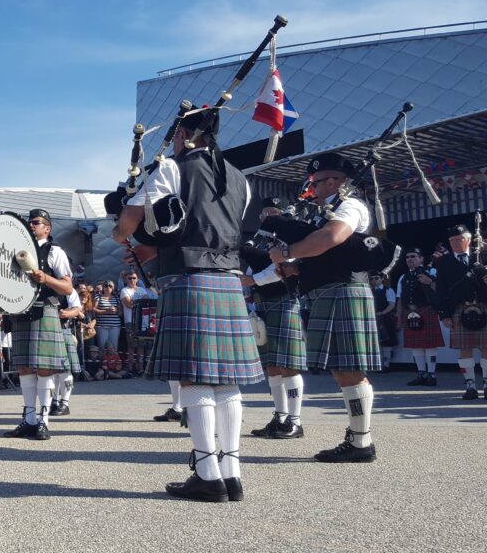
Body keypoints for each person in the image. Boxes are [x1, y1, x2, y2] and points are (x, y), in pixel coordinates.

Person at [116, 104, 261, 502]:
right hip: (230, 279)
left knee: (195, 377)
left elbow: (130, 222)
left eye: (176, 136)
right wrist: (155, 250)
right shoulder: (239, 178)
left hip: (188, 278)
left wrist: (121, 233)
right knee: (226, 380)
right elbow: (210, 227)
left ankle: (207, 474)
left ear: (183, 136)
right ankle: (231, 473)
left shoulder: (172, 169)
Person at [271, 152, 381, 463]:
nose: (313, 189)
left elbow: (333, 236)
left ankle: (361, 442)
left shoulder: (350, 206)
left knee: (349, 370)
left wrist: (288, 251)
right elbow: (327, 253)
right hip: (329, 292)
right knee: (342, 370)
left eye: (316, 183)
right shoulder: (328, 209)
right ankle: (359, 439)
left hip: (345, 291)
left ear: (334, 181)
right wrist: (295, 269)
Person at [3, 208, 73, 441]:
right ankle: (29, 420)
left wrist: (47, 278)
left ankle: (43, 420)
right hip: (21, 311)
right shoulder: (16, 253)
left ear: (47, 228)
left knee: (44, 368)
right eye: (29, 222)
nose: (31, 226)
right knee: (24, 367)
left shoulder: (55, 252)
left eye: (36, 222)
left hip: (46, 309)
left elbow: (68, 288)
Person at [242, 197, 307, 440]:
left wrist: (253, 281)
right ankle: (280, 417)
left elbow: (285, 268)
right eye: (264, 212)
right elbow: (252, 270)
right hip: (263, 305)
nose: (266, 216)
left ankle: (295, 421)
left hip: (284, 302)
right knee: (272, 366)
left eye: (272, 212)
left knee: (288, 364)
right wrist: (249, 288)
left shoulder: (291, 237)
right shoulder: (260, 240)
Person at [434, 224, 487, 400]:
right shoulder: (444, 262)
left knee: (486, 348)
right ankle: (470, 385)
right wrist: (444, 314)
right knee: (465, 349)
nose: (456, 243)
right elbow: (441, 290)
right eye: (452, 241)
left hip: (483, 306)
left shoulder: (481, 257)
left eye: (459, 239)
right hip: (459, 308)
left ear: (469, 240)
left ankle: (486, 383)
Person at [395, 248, 443, 386]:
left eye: (413, 256)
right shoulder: (403, 277)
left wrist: (429, 282)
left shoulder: (432, 272)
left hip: (427, 310)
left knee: (430, 346)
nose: (410, 259)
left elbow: (441, 290)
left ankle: (431, 375)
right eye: (407, 257)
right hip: (410, 313)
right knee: (416, 347)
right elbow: (399, 299)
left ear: (421, 259)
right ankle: (421, 374)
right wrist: (399, 318)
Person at [53, 288, 82, 415]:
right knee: (49, 371)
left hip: (63, 331)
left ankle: (64, 403)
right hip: (45, 331)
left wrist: (64, 313)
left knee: (65, 369)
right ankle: (53, 402)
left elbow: (75, 309)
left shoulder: (69, 291)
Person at [119, 271, 152, 374]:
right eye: (129, 278)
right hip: (130, 321)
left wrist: (138, 301)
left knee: (141, 345)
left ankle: (141, 369)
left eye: (134, 278)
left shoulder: (142, 290)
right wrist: (140, 300)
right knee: (131, 345)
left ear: (137, 279)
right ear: (126, 279)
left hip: (142, 321)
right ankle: (131, 368)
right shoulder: (124, 290)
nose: (132, 280)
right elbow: (128, 304)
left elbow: (148, 303)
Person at [369, 271, 397, 370]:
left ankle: (386, 363)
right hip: (373, 319)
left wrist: (382, 313)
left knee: (387, 341)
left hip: (385, 318)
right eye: (372, 279)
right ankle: (378, 363)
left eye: (376, 278)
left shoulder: (388, 290)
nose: (374, 281)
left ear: (382, 279)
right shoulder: (370, 291)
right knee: (376, 342)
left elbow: (392, 304)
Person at [92, 280, 121, 351]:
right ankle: (103, 361)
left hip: (115, 326)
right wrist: (106, 311)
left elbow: (121, 312)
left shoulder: (117, 298)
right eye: (106, 286)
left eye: (110, 286)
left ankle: (114, 362)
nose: (108, 287)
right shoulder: (98, 297)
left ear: (113, 288)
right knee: (102, 347)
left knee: (114, 347)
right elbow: (94, 310)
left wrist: (116, 310)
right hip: (102, 326)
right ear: (103, 287)